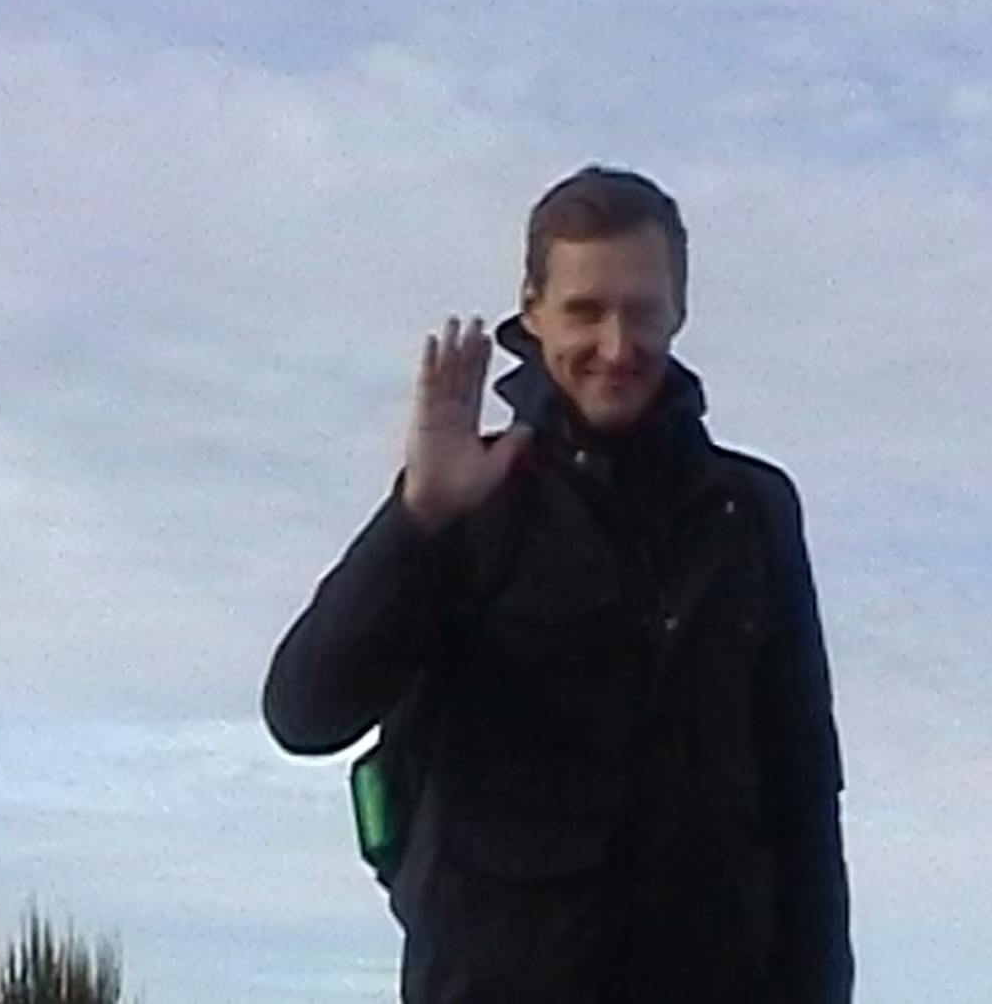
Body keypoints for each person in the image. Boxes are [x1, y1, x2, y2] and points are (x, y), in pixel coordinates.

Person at [262, 165, 852, 1003]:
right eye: (585, 311)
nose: (617, 346)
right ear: (532, 313)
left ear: (679, 310)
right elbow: (303, 711)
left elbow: (801, 794)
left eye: (642, 311)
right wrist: (420, 518)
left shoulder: (751, 511)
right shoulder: (469, 495)